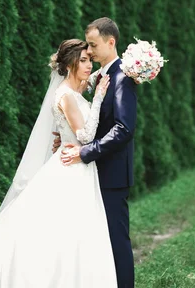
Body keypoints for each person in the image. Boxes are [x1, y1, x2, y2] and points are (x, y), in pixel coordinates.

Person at [0, 39, 116, 288]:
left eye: (89, 60)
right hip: (71, 168)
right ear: (69, 64)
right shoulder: (66, 95)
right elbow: (86, 136)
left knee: (77, 236)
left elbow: (92, 88)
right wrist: (99, 98)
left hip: (79, 165)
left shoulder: (75, 91)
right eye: (83, 61)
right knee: (61, 235)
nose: (89, 65)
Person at [57, 17, 137, 288]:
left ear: (110, 42)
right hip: (91, 173)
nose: (89, 52)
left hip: (112, 172)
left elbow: (123, 129)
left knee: (116, 241)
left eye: (92, 45)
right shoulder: (100, 76)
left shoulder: (122, 77)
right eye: (86, 47)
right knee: (95, 243)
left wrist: (85, 152)